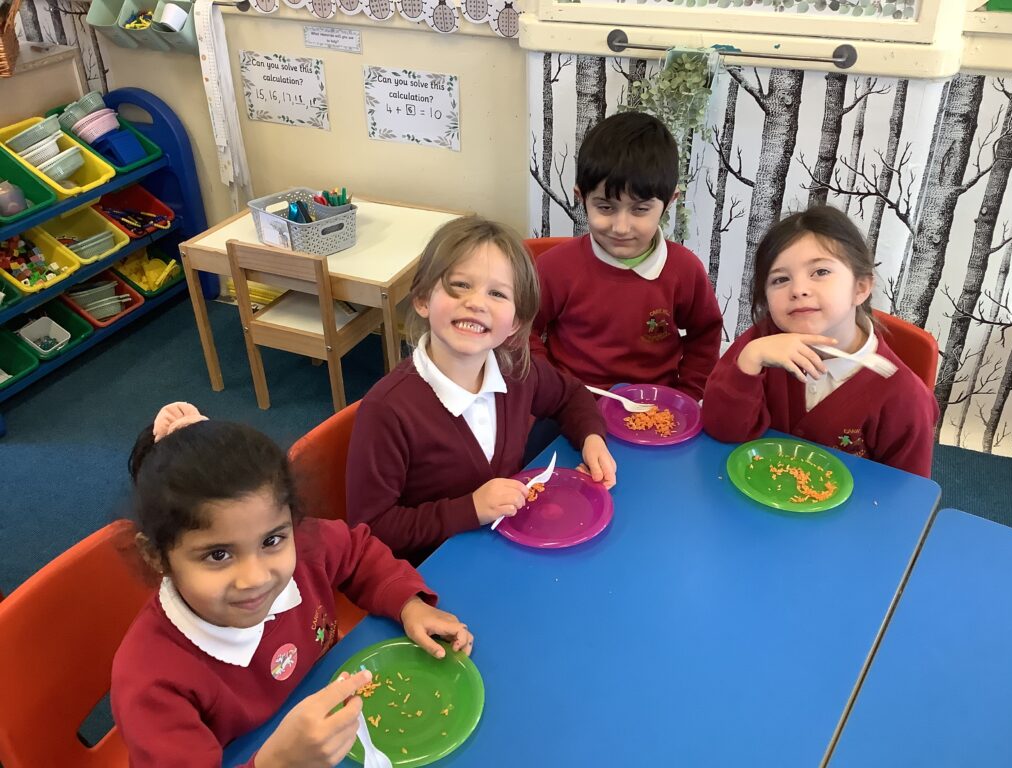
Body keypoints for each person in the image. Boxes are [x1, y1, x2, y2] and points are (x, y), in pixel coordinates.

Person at [112, 403, 473, 767]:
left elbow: (357, 552)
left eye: (271, 541)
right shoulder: (151, 681)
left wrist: (409, 603)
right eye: (218, 555)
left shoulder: (306, 545)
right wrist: (278, 763)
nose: (255, 578)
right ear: (157, 556)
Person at [347, 216, 616, 564]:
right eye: (459, 285)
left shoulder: (517, 370)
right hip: (436, 571)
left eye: (497, 293)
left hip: (510, 545)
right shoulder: (388, 411)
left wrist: (591, 436)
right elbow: (371, 528)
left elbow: (569, 395)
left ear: (516, 322)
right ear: (423, 299)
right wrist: (470, 508)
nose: (477, 302)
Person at [702, 206, 939, 477]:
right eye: (780, 279)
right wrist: (749, 360)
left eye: (820, 272)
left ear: (860, 288)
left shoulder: (905, 397)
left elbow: (906, 498)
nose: (799, 289)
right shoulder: (761, 341)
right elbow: (722, 430)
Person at [529, 111, 723, 401]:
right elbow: (521, 329)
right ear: (581, 198)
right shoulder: (553, 268)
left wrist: (687, 395)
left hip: (655, 407)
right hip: (568, 405)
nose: (621, 228)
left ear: (670, 201)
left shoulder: (684, 270)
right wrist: (550, 384)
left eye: (640, 210)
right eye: (605, 208)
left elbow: (705, 336)